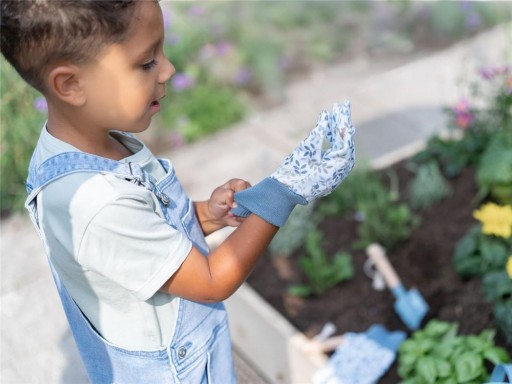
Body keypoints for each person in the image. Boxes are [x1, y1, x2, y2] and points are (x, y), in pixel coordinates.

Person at [0, 0, 356, 382]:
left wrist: (206, 214)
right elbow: (210, 281)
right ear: (71, 84)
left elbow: (149, 231)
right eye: (146, 61)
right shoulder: (96, 202)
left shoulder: (94, 143)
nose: (168, 69)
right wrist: (284, 190)